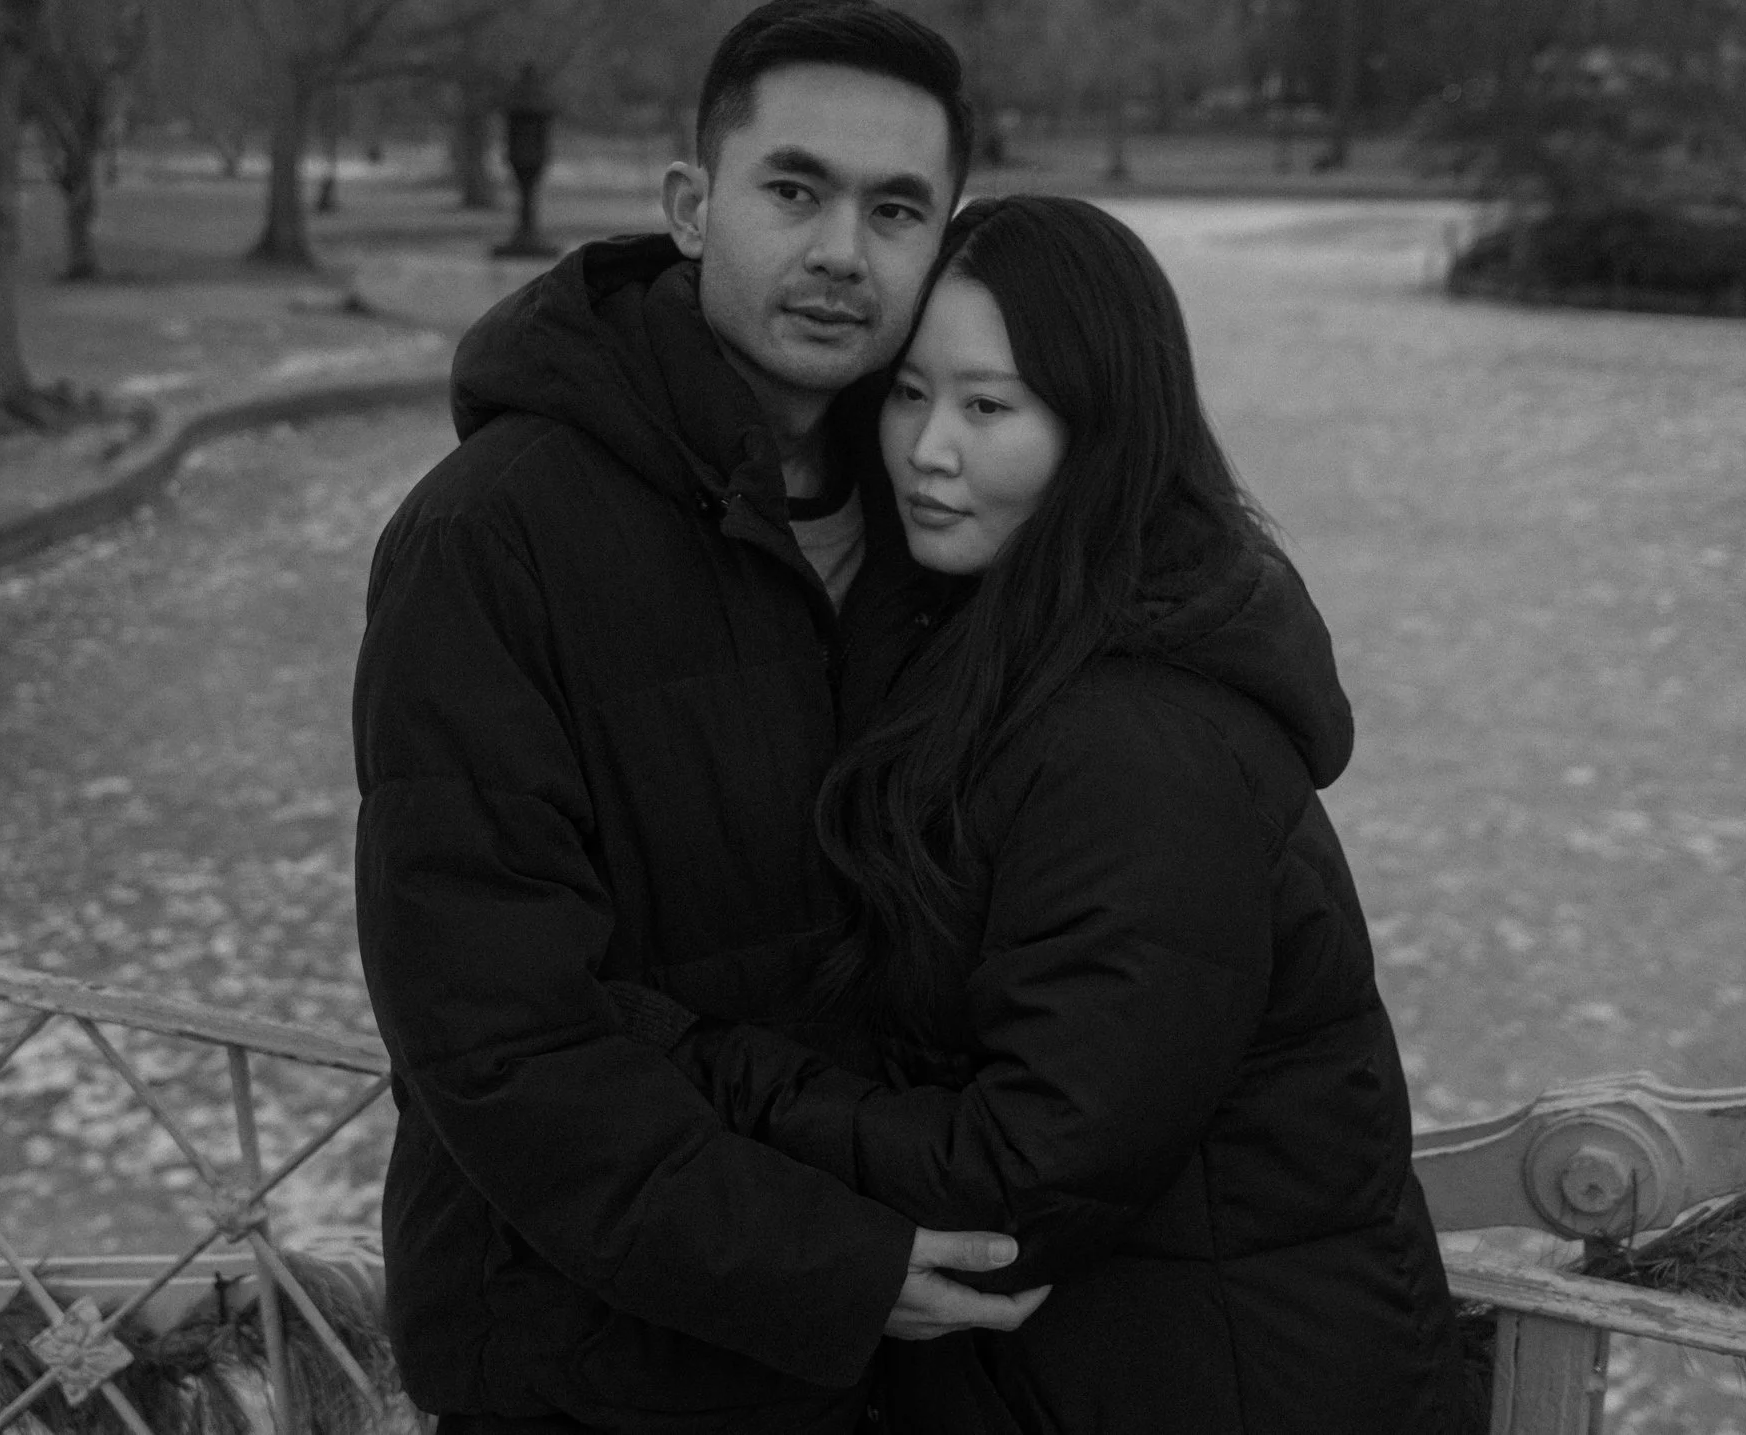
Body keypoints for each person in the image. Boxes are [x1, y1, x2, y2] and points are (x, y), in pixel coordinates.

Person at [619, 196, 1469, 1433]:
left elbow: (1023, 1178)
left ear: (1101, 432)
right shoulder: (996, 652)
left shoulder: (1139, 743)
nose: (926, 450)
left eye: (987, 407)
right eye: (910, 394)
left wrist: (699, 1064)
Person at [351, 0, 1046, 1435]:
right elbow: (492, 1026)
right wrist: (824, 1262)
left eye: (896, 210)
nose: (843, 251)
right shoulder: (491, 539)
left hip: (898, 1365)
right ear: (690, 205)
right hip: (586, 1370)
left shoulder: (950, 516)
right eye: (794, 190)